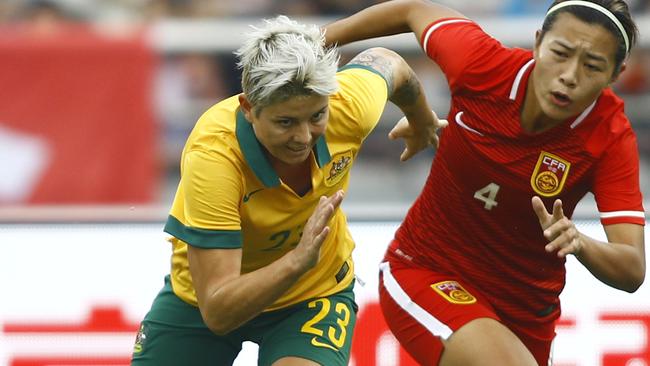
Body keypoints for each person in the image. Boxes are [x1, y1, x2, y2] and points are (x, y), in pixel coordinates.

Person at [324, 0, 646, 365]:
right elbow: (413, 10)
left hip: (526, 317)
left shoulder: (610, 137)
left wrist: (580, 243)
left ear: (616, 73)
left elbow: (632, 269)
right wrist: (316, 40)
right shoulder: (482, 63)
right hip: (425, 270)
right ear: (538, 42)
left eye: (592, 66)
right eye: (560, 53)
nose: (570, 75)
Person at [131, 15, 444, 366]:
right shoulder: (214, 158)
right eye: (285, 122)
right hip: (207, 300)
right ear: (249, 108)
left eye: (316, 116)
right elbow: (218, 311)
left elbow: (392, 64)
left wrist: (421, 121)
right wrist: (296, 261)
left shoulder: (348, 106)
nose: (303, 137)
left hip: (313, 292)